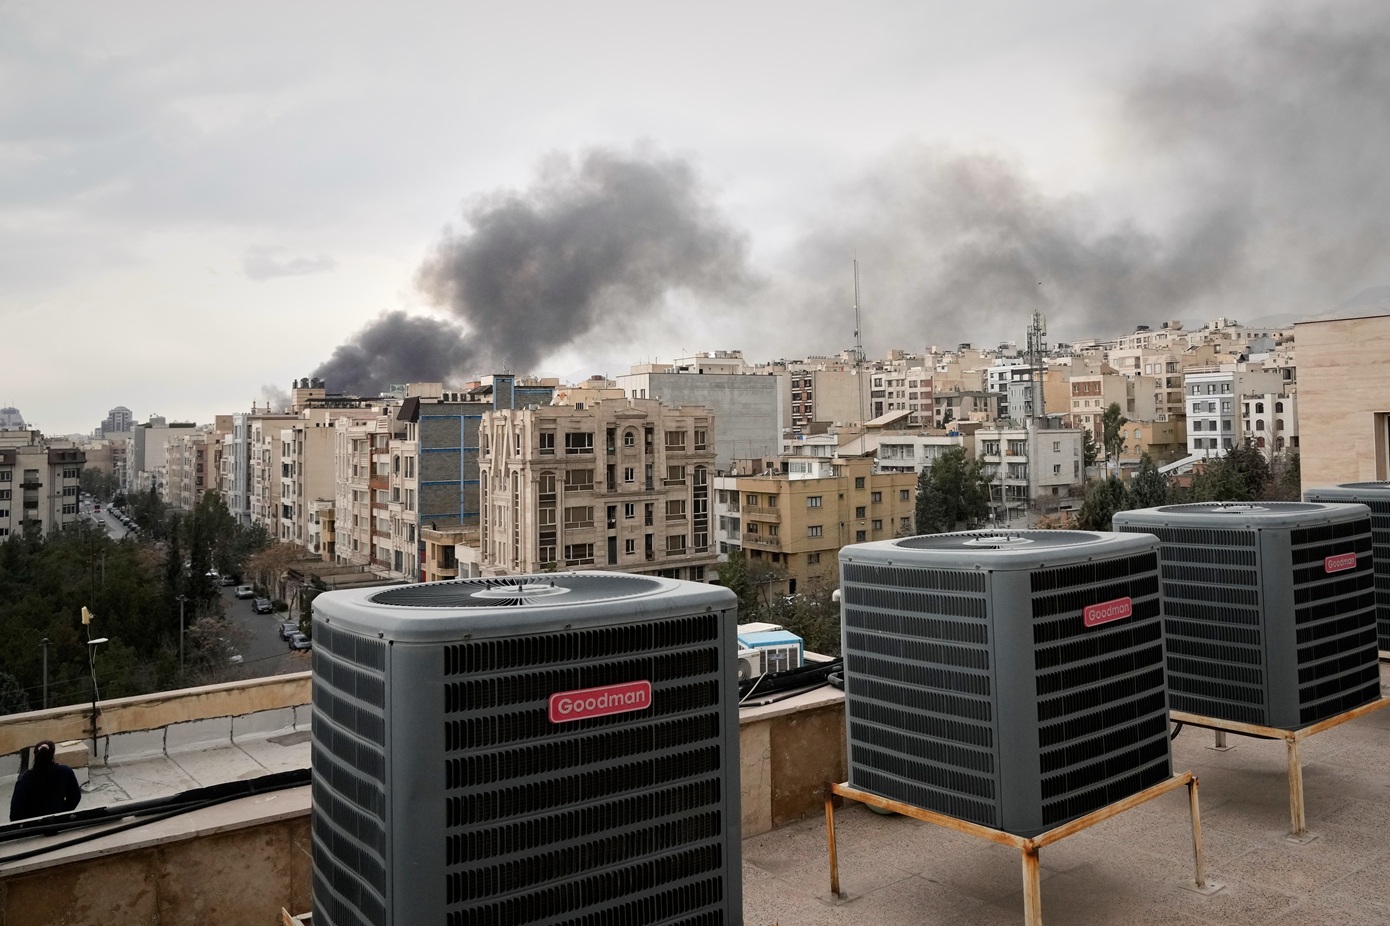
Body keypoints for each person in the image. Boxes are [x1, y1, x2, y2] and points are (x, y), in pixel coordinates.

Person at [9, 740, 82, 821]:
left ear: (35, 755)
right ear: (53, 754)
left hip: (35, 827)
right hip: (59, 822)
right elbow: (75, 797)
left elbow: (15, 813)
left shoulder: (24, 780)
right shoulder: (66, 772)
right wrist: (63, 811)